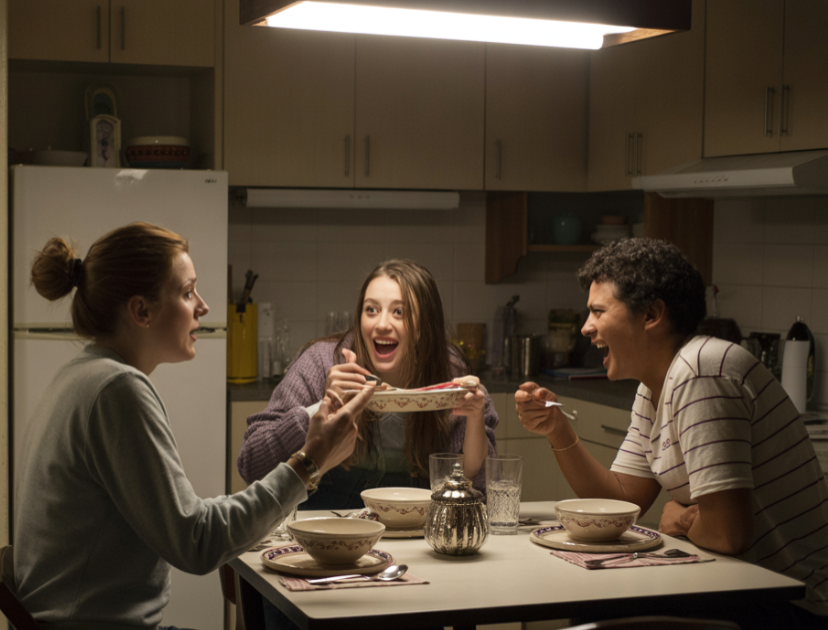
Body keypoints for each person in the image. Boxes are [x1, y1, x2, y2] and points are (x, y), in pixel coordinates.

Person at [14, 222, 374, 630]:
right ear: (141, 311)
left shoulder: (81, 375)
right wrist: (309, 463)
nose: (202, 306)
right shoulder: (118, 390)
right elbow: (198, 544)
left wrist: (307, 465)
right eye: (187, 293)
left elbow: (190, 519)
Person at [515, 238, 828, 628]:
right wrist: (558, 430)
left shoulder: (701, 372)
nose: (586, 327)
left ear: (651, 314)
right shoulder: (657, 383)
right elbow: (620, 500)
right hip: (734, 585)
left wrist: (678, 520)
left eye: (598, 311)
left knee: (597, 609)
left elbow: (728, 534)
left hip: (790, 603)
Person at [237, 259, 497, 509]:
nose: (381, 324)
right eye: (371, 309)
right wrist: (321, 408)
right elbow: (251, 465)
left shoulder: (449, 375)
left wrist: (474, 417)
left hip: (414, 536)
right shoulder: (321, 364)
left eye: (399, 312)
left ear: (423, 327)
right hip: (325, 531)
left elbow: (478, 489)